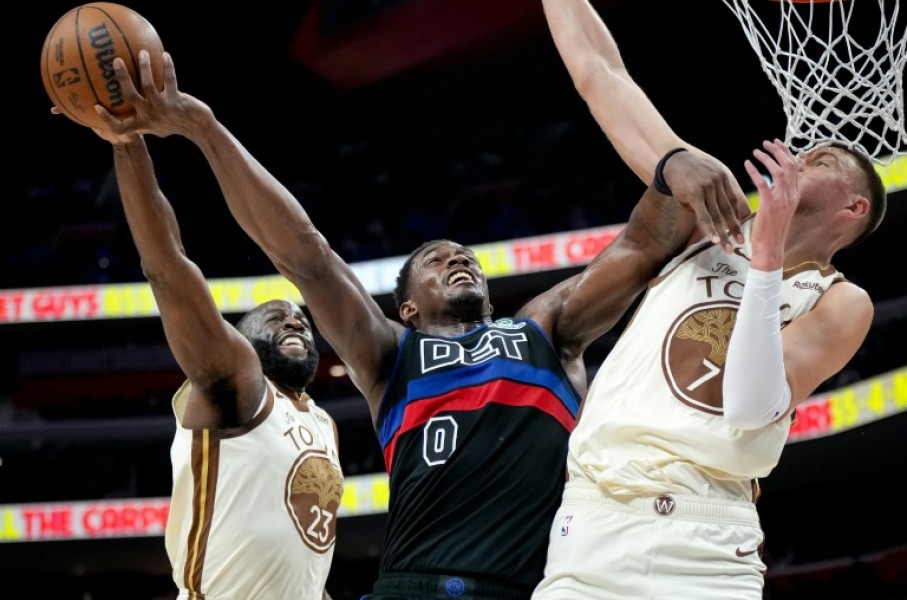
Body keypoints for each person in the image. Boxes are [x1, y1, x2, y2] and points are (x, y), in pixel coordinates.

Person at [85, 45, 748, 598]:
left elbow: (640, 244)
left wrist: (671, 166)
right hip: (413, 585)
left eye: (464, 256)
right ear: (405, 305)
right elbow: (305, 255)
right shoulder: (389, 353)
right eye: (435, 259)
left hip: (543, 586)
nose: (457, 257)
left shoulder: (544, 329)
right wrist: (202, 127)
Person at [533, 1, 889, 598]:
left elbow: (750, 407)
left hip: (702, 538)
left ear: (854, 209)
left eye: (822, 162)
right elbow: (602, 75)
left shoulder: (840, 300)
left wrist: (768, 255)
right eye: (803, 153)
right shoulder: (707, 218)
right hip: (589, 516)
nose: (801, 159)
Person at [82, 123, 343, 598]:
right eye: (274, 315)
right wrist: (127, 143)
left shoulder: (324, 422)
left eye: (300, 317)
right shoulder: (238, 383)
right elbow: (168, 268)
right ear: (238, 341)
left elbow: (306, 558)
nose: (294, 321)